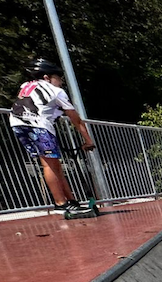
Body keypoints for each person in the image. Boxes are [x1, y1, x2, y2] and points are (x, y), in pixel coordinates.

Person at [9, 59, 97, 215]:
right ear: (46, 77)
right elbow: (75, 119)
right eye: (58, 78)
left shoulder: (26, 86)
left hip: (17, 123)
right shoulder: (57, 91)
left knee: (53, 164)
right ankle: (60, 203)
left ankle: (71, 201)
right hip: (38, 125)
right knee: (49, 165)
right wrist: (88, 140)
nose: (61, 82)